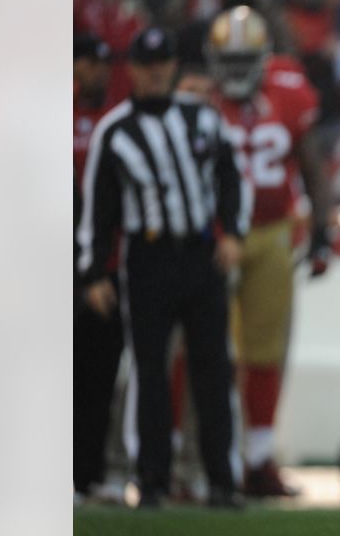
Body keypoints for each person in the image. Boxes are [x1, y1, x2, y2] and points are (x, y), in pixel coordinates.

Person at [76, 26, 247, 509]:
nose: (155, 72)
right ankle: (151, 480)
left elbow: (231, 175)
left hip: (200, 254)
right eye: (146, 64)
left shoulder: (202, 118)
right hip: (147, 258)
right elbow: (98, 210)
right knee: (150, 370)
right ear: (132, 69)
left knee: (213, 368)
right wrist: (92, 274)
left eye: (162, 63)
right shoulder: (116, 128)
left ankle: (221, 481)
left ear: (173, 65)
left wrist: (232, 230)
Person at [205, 6, 332, 497]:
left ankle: (258, 459)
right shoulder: (197, 97)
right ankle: (201, 457)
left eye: (245, 59)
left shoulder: (289, 91)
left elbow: (312, 163)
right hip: (213, 236)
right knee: (206, 350)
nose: (235, 70)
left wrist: (321, 228)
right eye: (227, 59)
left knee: (265, 349)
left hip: (275, 230)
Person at [74, 33, 125, 501]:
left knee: (98, 374)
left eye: (102, 63)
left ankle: (87, 473)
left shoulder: (112, 119)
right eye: (89, 61)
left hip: (102, 259)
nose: (97, 71)